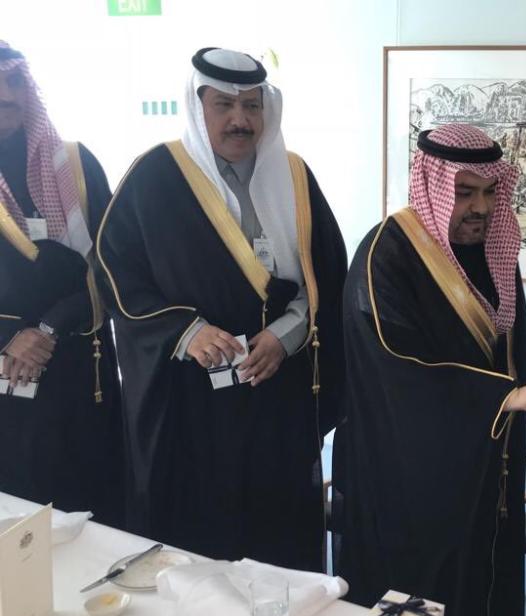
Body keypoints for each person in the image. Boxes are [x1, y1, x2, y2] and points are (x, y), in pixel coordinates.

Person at [96, 47, 347, 570]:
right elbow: (115, 271)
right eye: (224, 105)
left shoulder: (295, 176)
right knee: (197, 544)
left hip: (276, 394)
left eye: (252, 106)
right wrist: (186, 332)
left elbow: (325, 276)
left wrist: (285, 336)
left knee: (278, 540)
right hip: (191, 404)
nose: (240, 120)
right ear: (197, 106)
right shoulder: (156, 175)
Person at [337, 124, 526, 616]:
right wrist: (503, 397)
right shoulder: (386, 253)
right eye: (464, 192)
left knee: (483, 573)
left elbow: (506, 348)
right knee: (418, 602)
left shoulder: (493, 252)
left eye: (489, 192)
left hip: (486, 451)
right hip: (409, 468)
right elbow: (394, 366)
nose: (480, 208)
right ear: (432, 185)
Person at [0, 41, 124, 526]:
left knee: (90, 512)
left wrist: (49, 327)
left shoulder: (75, 164)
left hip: (79, 372)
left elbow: (114, 267)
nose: (7, 95)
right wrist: (10, 337)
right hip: (7, 375)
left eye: (15, 82)